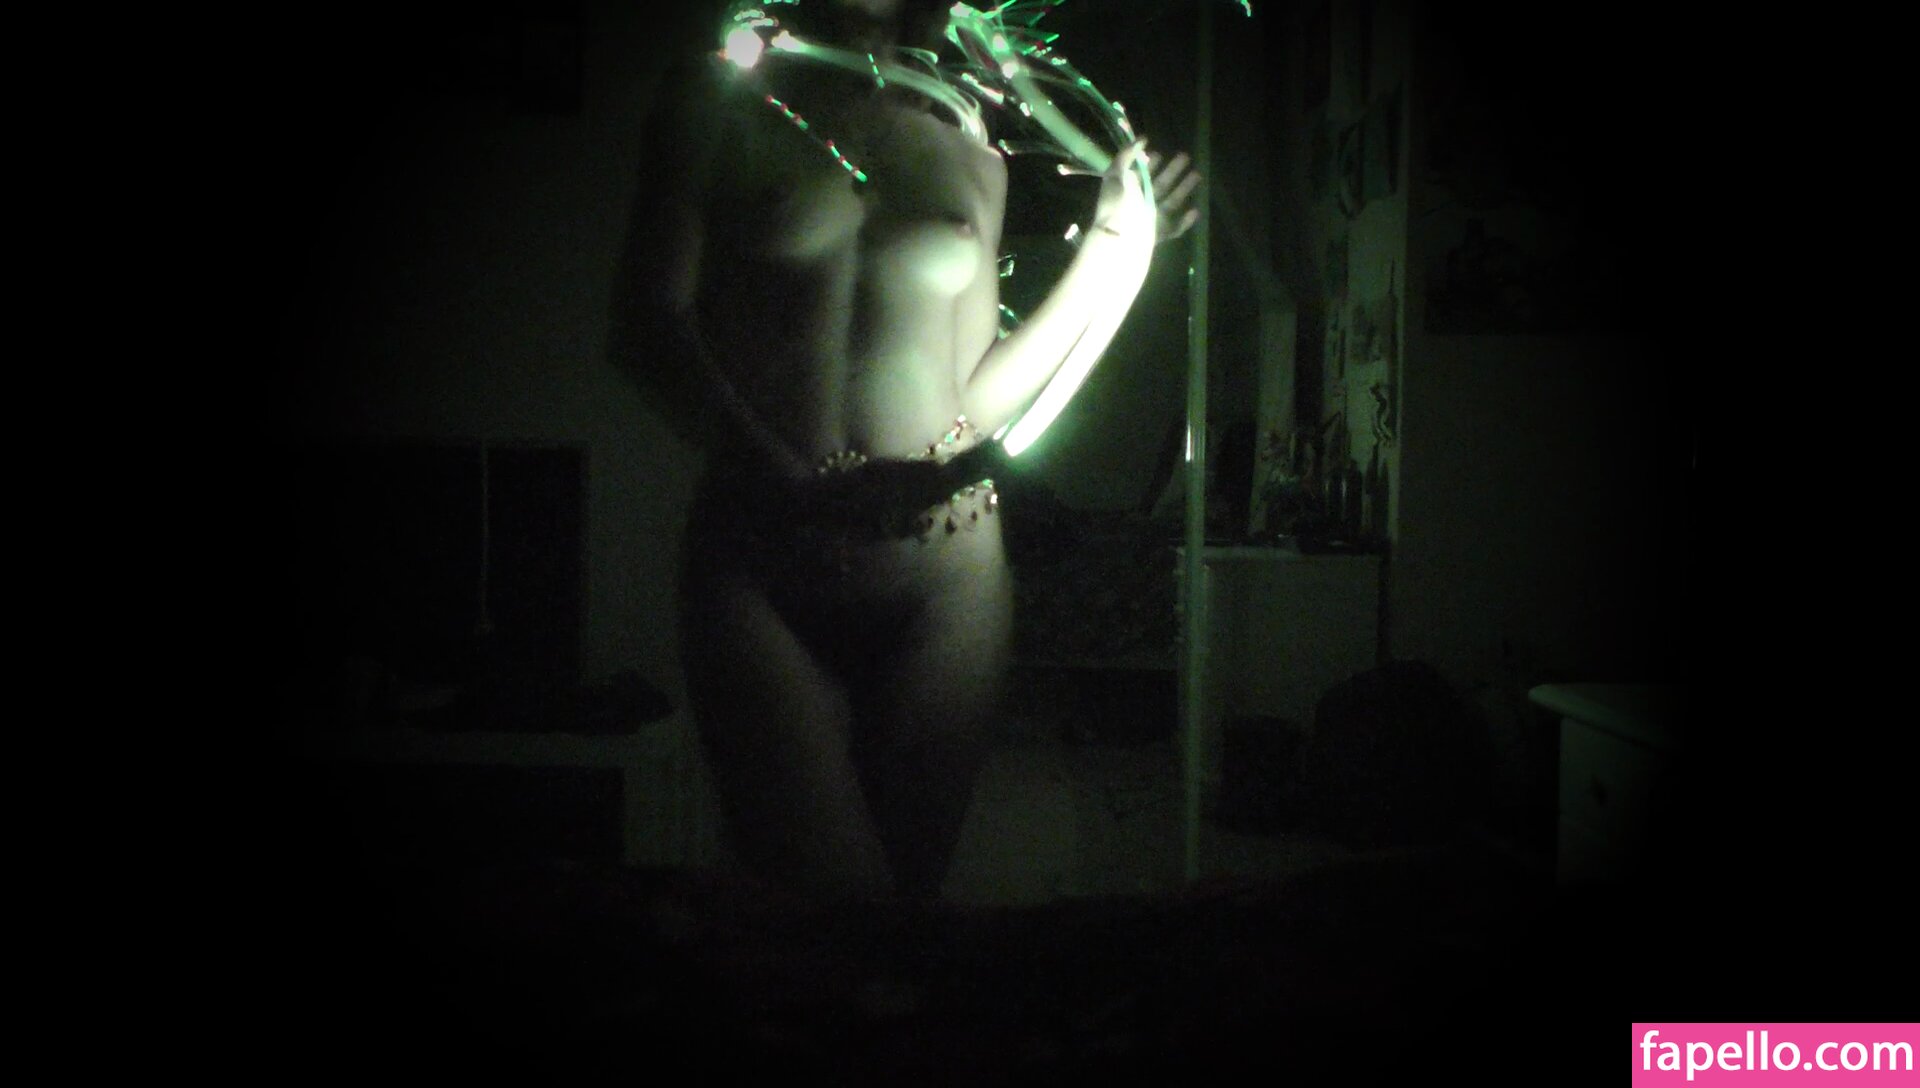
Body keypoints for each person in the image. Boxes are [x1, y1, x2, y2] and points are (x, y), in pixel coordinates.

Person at [616, 0, 1198, 900]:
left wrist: (1116, 240)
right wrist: (785, 478)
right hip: (764, 562)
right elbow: (647, 327)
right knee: (826, 901)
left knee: (903, 911)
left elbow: (979, 401)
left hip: (945, 574)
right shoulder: (717, 103)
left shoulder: (971, 146)